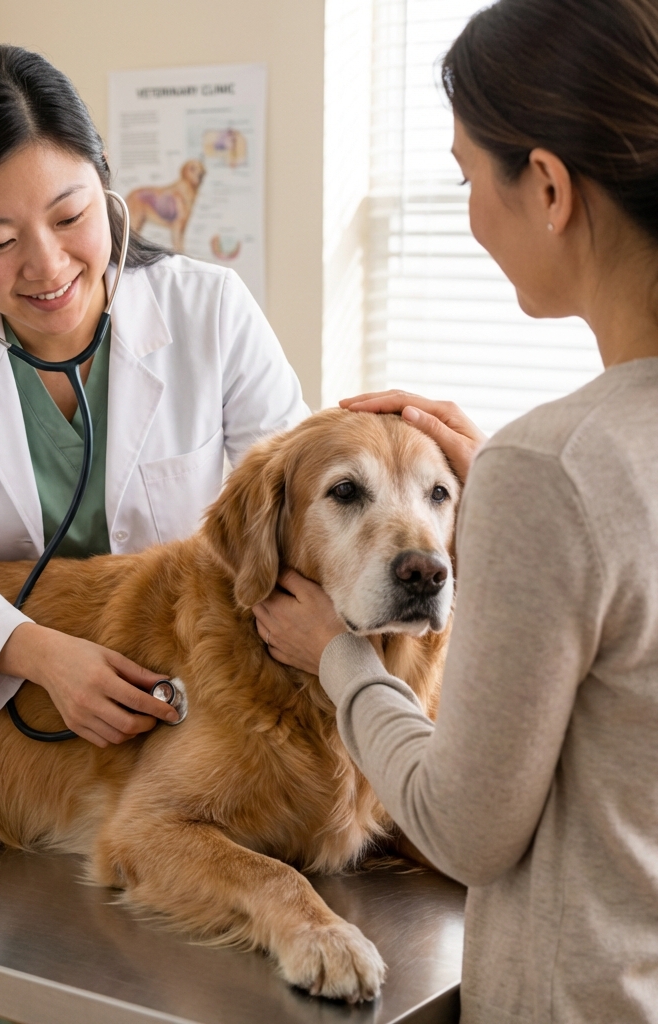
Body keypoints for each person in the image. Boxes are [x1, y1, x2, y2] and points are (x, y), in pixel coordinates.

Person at [0, 45, 309, 1024]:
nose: (48, 264)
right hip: (14, 760)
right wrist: (39, 652)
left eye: (69, 217)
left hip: (191, 749)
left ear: (108, 188)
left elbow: (287, 523)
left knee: (180, 984)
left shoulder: (208, 311)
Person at [253, 1, 658, 1021]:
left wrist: (333, 656)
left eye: (470, 175)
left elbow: (462, 827)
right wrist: (507, 497)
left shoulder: (552, 468)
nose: (471, 211)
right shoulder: (559, 469)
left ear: (551, 187)